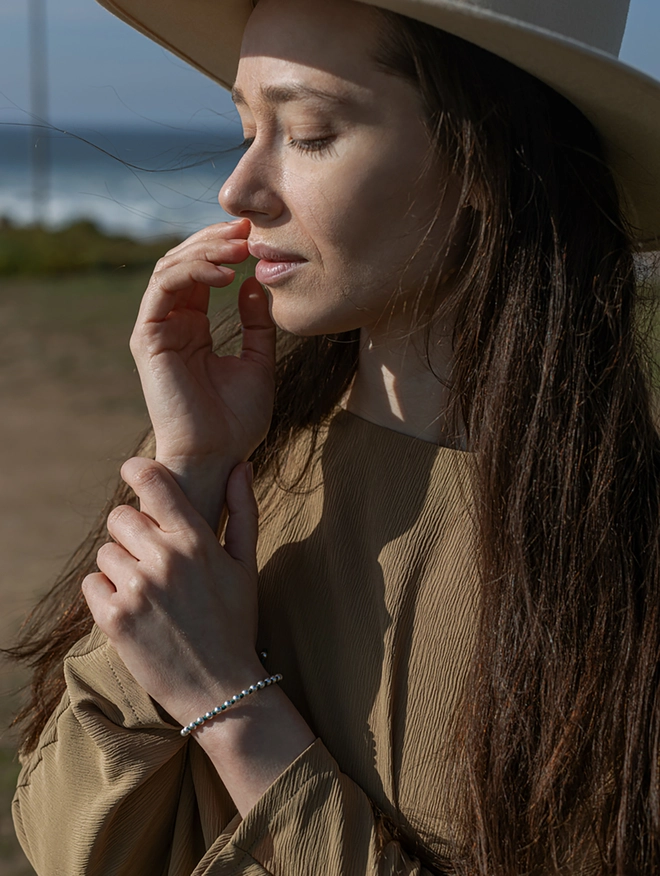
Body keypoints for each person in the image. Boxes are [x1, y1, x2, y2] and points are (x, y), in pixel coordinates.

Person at [9, 0, 660, 872]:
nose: (238, 190)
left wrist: (231, 705)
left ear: (492, 160)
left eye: (309, 133)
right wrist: (192, 473)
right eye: (245, 128)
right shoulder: (251, 471)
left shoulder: (623, 569)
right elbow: (66, 849)